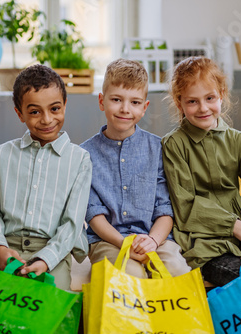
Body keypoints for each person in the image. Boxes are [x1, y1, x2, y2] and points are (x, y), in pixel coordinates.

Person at [161, 56, 241, 286]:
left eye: (210, 98)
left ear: (222, 94)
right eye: (192, 101)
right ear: (179, 101)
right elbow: (185, 204)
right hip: (203, 243)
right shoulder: (173, 145)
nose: (203, 108)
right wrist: (235, 225)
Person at [0, 64, 92, 290]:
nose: (46, 119)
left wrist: (45, 259)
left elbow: (72, 224)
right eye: (35, 112)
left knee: (49, 307)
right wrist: (0, 251)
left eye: (55, 109)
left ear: (65, 105)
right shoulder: (3, 154)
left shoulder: (80, 159)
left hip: (52, 251)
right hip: (5, 247)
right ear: (20, 114)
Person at [80, 58, 191, 278]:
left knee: (177, 270)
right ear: (102, 101)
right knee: (131, 274)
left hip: (154, 238)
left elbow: (165, 208)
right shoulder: (85, 155)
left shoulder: (159, 149)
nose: (125, 109)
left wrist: (151, 241)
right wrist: (125, 244)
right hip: (108, 241)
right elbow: (94, 215)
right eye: (116, 99)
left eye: (135, 102)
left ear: (145, 107)